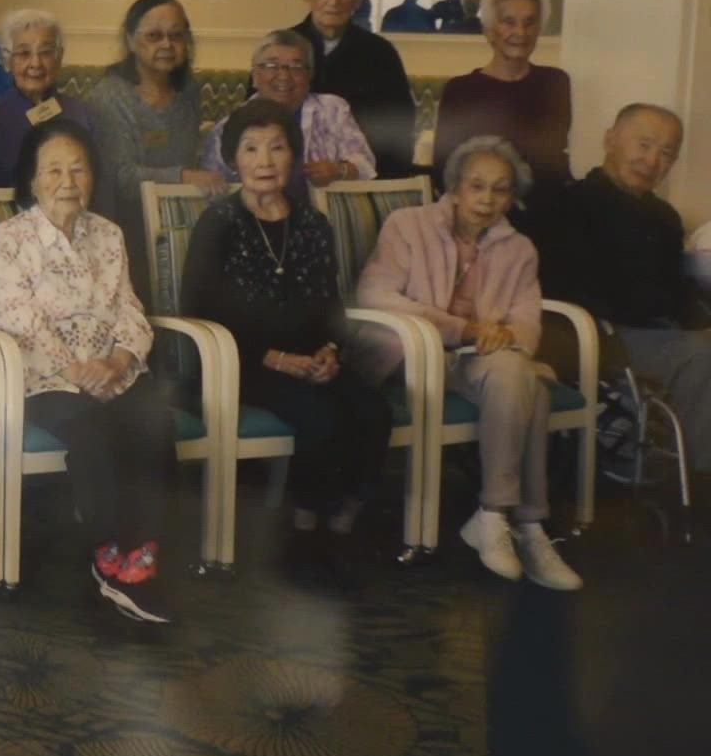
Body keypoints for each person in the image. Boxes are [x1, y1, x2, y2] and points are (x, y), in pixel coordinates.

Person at [356, 137, 581, 590]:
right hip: (415, 354)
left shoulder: (519, 249)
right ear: (454, 188)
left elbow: (528, 325)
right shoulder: (407, 225)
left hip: (482, 363)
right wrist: (464, 329)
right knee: (527, 385)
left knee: (518, 372)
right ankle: (529, 523)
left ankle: (499, 515)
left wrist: (503, 336)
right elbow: (374, 295)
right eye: (477, 186)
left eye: (500, 189)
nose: (487, 199)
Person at [181, 99, 392, 573]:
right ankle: (305, 523)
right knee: (320, 416)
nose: (264, 160)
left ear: (292, 157)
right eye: (251, 148)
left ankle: (346, 513)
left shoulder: (313, 223)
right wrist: (278, 359)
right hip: (237, 365)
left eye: (277, 148)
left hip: (307, 358)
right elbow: (200, 311)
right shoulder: (219, 224)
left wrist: (330, 351)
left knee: (372, 409)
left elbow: (329, 307)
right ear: (234, 158)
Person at [0, 120, 175, 622]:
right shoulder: (11, 237)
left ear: (92, 177)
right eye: (54, 170)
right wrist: (77, 370)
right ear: (32, 180)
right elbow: (13, 315)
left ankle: (137, 554)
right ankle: (112, 552)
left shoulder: (108, 234)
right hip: (46, 377)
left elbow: (130, 308)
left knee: (155, 421)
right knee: (92, 429)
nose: (67, 180)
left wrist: (117, 362)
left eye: (78, 169)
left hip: (112, 372)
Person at [538, 104, 711, 471]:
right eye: (644, 145)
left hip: (660, 335)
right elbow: (574, 290)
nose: (652, 160)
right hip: (604, 335)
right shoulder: (571, 204)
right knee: (702, 355)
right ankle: (702, 485)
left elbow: (677, 293)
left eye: (666, 153)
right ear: (610, 140)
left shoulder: (664, 217)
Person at [90, 0, 220, 300]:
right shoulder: (111, 95)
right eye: (154, 36)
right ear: (131, 41)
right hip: (124, 227)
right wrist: (183, 177)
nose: (166, 45)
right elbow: (120, 177)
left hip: (178, 219)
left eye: (176, 36)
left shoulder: (189, 92)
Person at [431, 0, 572, 209]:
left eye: (529, 22)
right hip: (484, 215)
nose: (520, 32)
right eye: (509, 22)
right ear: (488, 31)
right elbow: (444, 170)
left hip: (548, 214)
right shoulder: (460, 91)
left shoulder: (556, 83)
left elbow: (556, 161)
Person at [293, 0, 417, 178]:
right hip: (293, 178)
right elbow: (254, 117)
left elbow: (400, 129)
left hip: (363, 181)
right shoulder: (282, 48)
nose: (334, 0)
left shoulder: (381, 54)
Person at [202, 30, 376, 191]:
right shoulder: (228, 128)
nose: (284, 76)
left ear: (310, 76)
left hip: (321, 215)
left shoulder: (333, 110)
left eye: (296, 67)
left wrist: (339, 170)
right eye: (272, 66)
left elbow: (366, 164)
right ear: (254, 76)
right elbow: (214, 184)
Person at [0, 9, 97, 189]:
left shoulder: (84, 115)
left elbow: (99, 185)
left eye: (46, 52)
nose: (36, 63)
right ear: (6, 60)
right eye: (24, 53)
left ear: (59, 57)